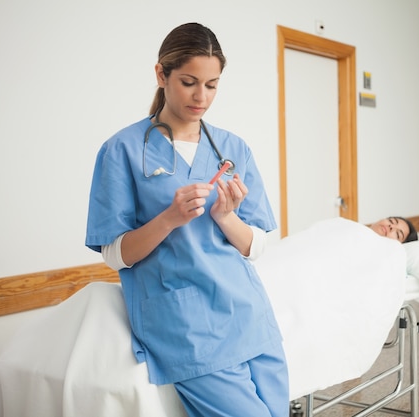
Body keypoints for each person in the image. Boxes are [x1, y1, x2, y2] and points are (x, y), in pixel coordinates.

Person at [85, 23, 288, 417]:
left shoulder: (233, 148)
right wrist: (169, 219)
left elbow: (256, 245)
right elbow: (115, 255)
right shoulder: (122, 150)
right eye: (189, 82)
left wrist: (225, 217)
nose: (202, 97)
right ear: (162, 75)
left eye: (212, 85)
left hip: (248, 311)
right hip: (186, 324)